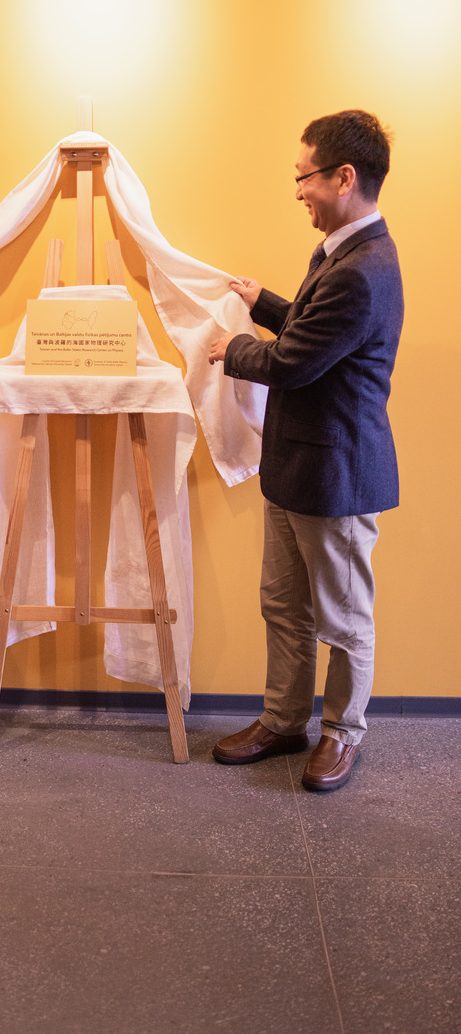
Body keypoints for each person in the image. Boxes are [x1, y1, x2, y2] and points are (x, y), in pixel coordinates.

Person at [206, 109, 403, 791]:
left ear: (344, 177)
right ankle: (284, 720)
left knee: (344, 622)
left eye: (305, 177)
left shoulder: (363, 267)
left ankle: (343, 735)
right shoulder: (342, 252)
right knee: (283, 606)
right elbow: (317, 331)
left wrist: (229, 349)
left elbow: (293, 363)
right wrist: (263, 303)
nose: (298, 191)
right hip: (295, 469)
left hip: (336, 477)